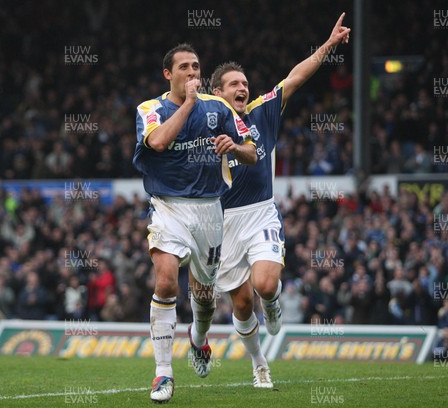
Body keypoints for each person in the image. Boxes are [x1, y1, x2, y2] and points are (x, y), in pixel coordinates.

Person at [211, 13, 350, 387]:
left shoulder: (261, 111)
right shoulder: (204, 122)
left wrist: (329, 44)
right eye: (234, 84)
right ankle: (260, 364)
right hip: (222, 224)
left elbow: (295, 77)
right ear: (218, 92)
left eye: (244, 82)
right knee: (240, 304)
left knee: (266, 285)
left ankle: (271, 305)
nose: (242, 87)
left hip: (260, 213)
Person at [133, 43, 257, 403]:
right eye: (184, 67)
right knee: (167, 279)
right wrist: (188, 104)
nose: (193, 73)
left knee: (204, 300)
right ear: (168, 74)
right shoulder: (151, 109)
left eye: (197, 67)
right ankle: (163, 375)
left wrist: (233, 148)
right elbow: (157, 141)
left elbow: (251, 151)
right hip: (168, 207)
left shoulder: (218, 107)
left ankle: (199, 340)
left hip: (209, 210)